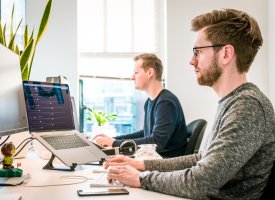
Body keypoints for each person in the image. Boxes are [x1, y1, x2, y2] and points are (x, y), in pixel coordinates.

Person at [104, 9, 275, 199]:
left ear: (226, 54)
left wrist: (142, 178)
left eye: (198, 52)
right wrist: (142, 165)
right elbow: (201, 159)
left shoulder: (248, 106)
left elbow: (201, 181)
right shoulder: (233, 102)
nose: (191, 60)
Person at [93, 53, 188, 158]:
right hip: (154, 159)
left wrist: (115, 144)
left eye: (136, 73)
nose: (132, 77)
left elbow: (156, 142)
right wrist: (114, 140)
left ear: (150, 73)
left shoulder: (166, 103)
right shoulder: (150, 102)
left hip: (165, 163)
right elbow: (145, 134)